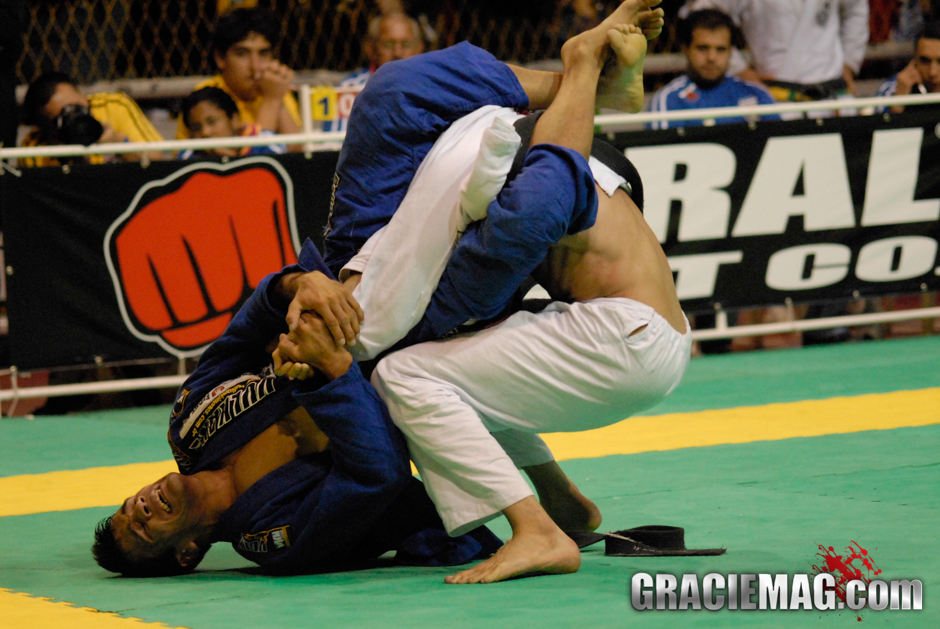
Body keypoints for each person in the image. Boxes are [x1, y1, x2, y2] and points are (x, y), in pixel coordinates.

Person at [280, 1, 685, 584]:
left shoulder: (524, 175)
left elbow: (543, 195)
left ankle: (538, 531)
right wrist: (581, 79)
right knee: (442, 357)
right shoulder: (492, 147)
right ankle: (562, 505)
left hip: (625, 338)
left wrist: (583, 68)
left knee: (403, 375)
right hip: (633, 329)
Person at [92, 245, 502, 577]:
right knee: (504, 237)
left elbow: (242, 334)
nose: (140, 508)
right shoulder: (273, 535)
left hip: (355, 302)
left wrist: (299, 283)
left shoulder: (188, 427)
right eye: (143, 529)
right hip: (424, 372)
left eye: (129, 506)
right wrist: (331, 369)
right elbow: (380, 473)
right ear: (187, 553)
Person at [680, 0, 869, 113]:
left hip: (834, 96)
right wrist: (740, 69)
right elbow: (702, 10)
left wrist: (849, 64)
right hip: (776, 98)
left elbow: (857, 8)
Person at [175, 8, 301, 143]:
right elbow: (251, 158)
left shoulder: (274, 88)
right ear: (220, 58)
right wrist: (271, 101)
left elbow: (297, 151)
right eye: (242, 54)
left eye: (263, 53)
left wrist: (276, 99)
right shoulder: (205, 97)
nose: (255, 66)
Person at [646, 9, 778, 129]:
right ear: (685, 49)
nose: (711, 58)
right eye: (703, 48)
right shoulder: (669, 100)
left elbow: (780, 146)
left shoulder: (756, 94)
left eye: (720, 49)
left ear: (731, 52)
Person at [19, 72, 164, 167]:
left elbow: (158, 162)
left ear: (83, 97)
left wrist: (119, 143)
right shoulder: (35, 147)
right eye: (64, 116)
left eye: (76, 107)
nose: (75, 117)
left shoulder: (113, 106)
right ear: (48, 127)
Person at [321, 12, 426, 133]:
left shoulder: (433, 88)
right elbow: (334, 146)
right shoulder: (348, 89)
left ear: (419, 49)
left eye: (406, 44)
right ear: (371, 48)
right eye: (389, 44)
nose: (398, 52)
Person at [177, 86, 286, 159]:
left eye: (212, 122)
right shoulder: (188, 156)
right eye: (196, 128)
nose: (205, 132)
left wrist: (233, 162)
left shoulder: (266, 143)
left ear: (235, 120)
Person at [876, 21, 940, 114]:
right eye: (925, 61)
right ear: (914, 60)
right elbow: (879, 127)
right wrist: (899, 102)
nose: (932, 72)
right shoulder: (892, 88)